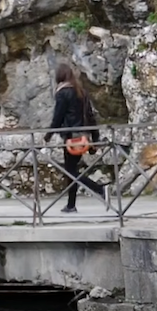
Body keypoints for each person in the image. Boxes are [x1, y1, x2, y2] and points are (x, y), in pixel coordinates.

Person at [43, 63, 108, 213]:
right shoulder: (81, 92)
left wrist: (47, 136)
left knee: (70, 171)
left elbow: (57, 118)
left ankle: (99, 189)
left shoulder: (62, 93)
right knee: (72, 170)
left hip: (71, 138)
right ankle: (71, 205)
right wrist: (95, 137)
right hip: (83, 136)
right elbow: (90, 116)